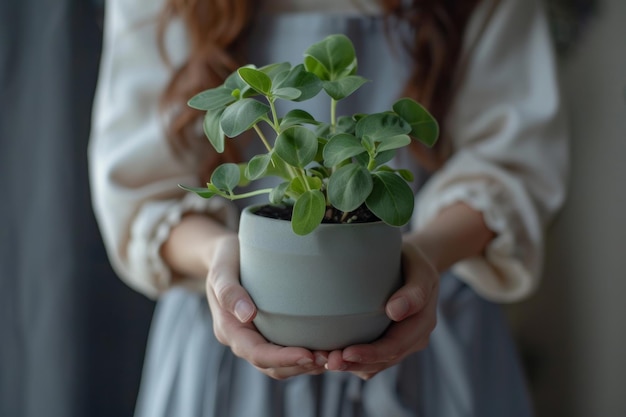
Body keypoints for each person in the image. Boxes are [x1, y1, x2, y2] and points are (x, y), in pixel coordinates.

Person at [88, 0, 568, 415]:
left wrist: (422, 256)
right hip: (231, 346)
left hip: (428, 335)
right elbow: (141, 190)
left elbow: (510, 161)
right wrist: (220, 260)